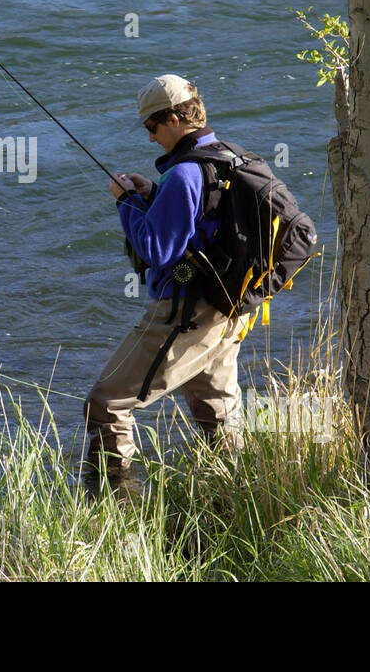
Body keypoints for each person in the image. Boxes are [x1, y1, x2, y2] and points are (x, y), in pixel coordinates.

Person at [83, 74, 250, 496]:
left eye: (152, 127)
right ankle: (234, 500)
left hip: (186, 312)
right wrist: (152, 193)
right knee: (217, 411)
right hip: (229, 309)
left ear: (175, 118)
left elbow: (157, 248)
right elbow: (203, 223)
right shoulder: (227, 158)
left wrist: (125, 201)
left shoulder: (184, 174)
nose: (152, 138)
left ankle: (116, 506)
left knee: (106, 404)